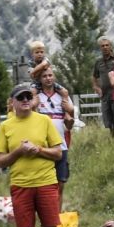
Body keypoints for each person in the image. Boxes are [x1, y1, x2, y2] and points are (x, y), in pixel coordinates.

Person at [0, 83, 64, 227]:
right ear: (12, 102)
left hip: (46, 183)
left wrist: (38, 149)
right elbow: (1, 161)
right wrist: (19, 152)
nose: (25, 100)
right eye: (20, 97)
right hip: (21, 185)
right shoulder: (6, 127)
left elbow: (58, 153)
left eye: (28, 97)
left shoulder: (44, 121)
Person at [35, 68, 75, 201]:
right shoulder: (36, 97)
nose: (48, 78)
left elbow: (69, 125)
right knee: (44, 186)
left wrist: (71, 115)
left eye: (50, 75)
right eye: (44, 76)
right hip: (43, 147)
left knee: (60, 185)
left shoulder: (62, 96)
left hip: (61, 145)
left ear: (55, 77)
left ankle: (58, 218)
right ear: (40, 79)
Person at [92, 36, 114, 130]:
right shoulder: (98, 62)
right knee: (108, 121)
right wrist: (96, 88)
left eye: (107, 45)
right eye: (102, 46)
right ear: (100, 48)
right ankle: (113, 140)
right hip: (105, 95)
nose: (105, 47)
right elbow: (94, 76)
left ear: (110, 46)